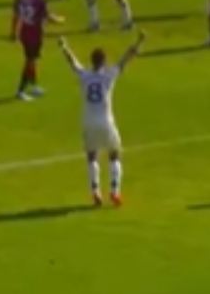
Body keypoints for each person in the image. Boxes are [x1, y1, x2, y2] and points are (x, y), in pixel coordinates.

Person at [59, 30, 147, 206]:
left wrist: (64, 47)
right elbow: (125, 59)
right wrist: (139, 42)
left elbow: (73, 63)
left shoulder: (85, 76)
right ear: (104, 62)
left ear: (91, 61)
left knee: (91, 156)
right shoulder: (108, 75)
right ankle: (114, 191)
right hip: (106, 121)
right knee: (114, 154)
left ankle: (95, 191)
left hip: (88, 122)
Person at [12, 0, 63, 100]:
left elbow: (16, 15)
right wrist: (58, 20)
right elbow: (46, 16)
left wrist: (14, 32)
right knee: (29, 61)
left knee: (32, 60)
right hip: (35, 33)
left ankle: (34, 86)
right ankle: (20, 90)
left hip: (24, 31)